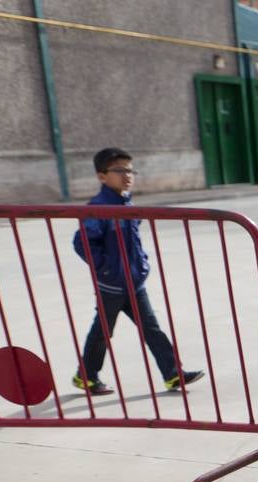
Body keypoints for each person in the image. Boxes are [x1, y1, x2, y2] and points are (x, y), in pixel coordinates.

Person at [70, 148, 203, 396]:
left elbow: (133, 242)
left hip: (134, 283)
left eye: (130, 170)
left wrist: (141, 264)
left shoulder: (127, 203)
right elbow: (82, 243)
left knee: (152, 329)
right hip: (111, 285)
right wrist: (106, 269)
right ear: (101, 176)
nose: (127, 175)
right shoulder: (98, 208)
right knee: (102, 332)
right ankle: (86, 377)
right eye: (119, 170)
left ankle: (173, 374)